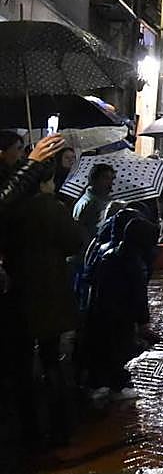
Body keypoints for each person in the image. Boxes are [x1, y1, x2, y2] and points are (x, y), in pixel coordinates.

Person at [2, 165, 85, 448]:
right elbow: (75, 242)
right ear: (44, 184)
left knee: (21, 365)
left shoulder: (10, 208)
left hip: (17, 291)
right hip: (48, 290)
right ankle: (60, 427)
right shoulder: (50, 208)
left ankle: (29, 429)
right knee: (52, 360)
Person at [82, 209, 158, 403]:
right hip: (120, 315)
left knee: (103, 347)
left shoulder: (106, 253)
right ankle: (117, 384)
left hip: (101, 311)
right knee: (119, 348)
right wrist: (143, 323)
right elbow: (139, 296)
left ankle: (100, 383)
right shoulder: (134, 263)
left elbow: (90, 277)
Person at [72, 163, 115, 241]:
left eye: (112, 179)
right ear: (94, 179)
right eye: (106, 178)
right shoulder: (87, 203)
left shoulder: (107, 201)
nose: (110, 183)